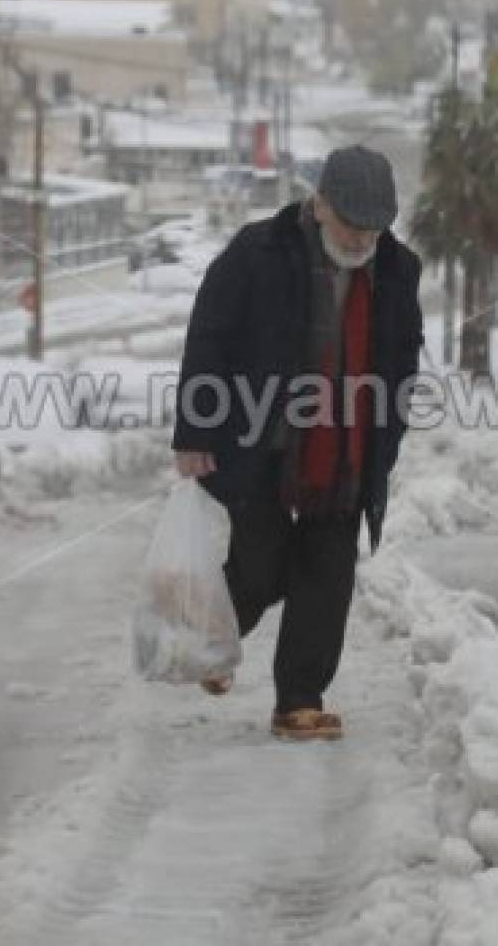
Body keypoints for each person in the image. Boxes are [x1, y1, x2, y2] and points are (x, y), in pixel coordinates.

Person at [171, 147, 425, 742]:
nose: (362, 243)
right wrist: (195, 432)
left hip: (346, 449)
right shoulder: (258, 253)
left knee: (327, 573)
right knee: (261, 566)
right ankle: (212, 640)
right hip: (260, 440)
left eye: (373, 232)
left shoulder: (398, 269)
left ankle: (300, 701)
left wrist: (392, 423)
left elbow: (403, 356)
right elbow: (208, 338)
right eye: (351, 228)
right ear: (321, 204)